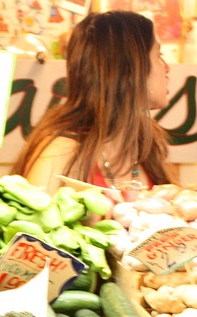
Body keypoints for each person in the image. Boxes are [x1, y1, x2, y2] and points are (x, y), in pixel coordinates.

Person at [11, 11, 174, 198]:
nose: (167, 67)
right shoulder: (60, 154)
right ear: (128, 67)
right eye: (158, 55)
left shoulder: (146, 144)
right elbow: (31, 226)